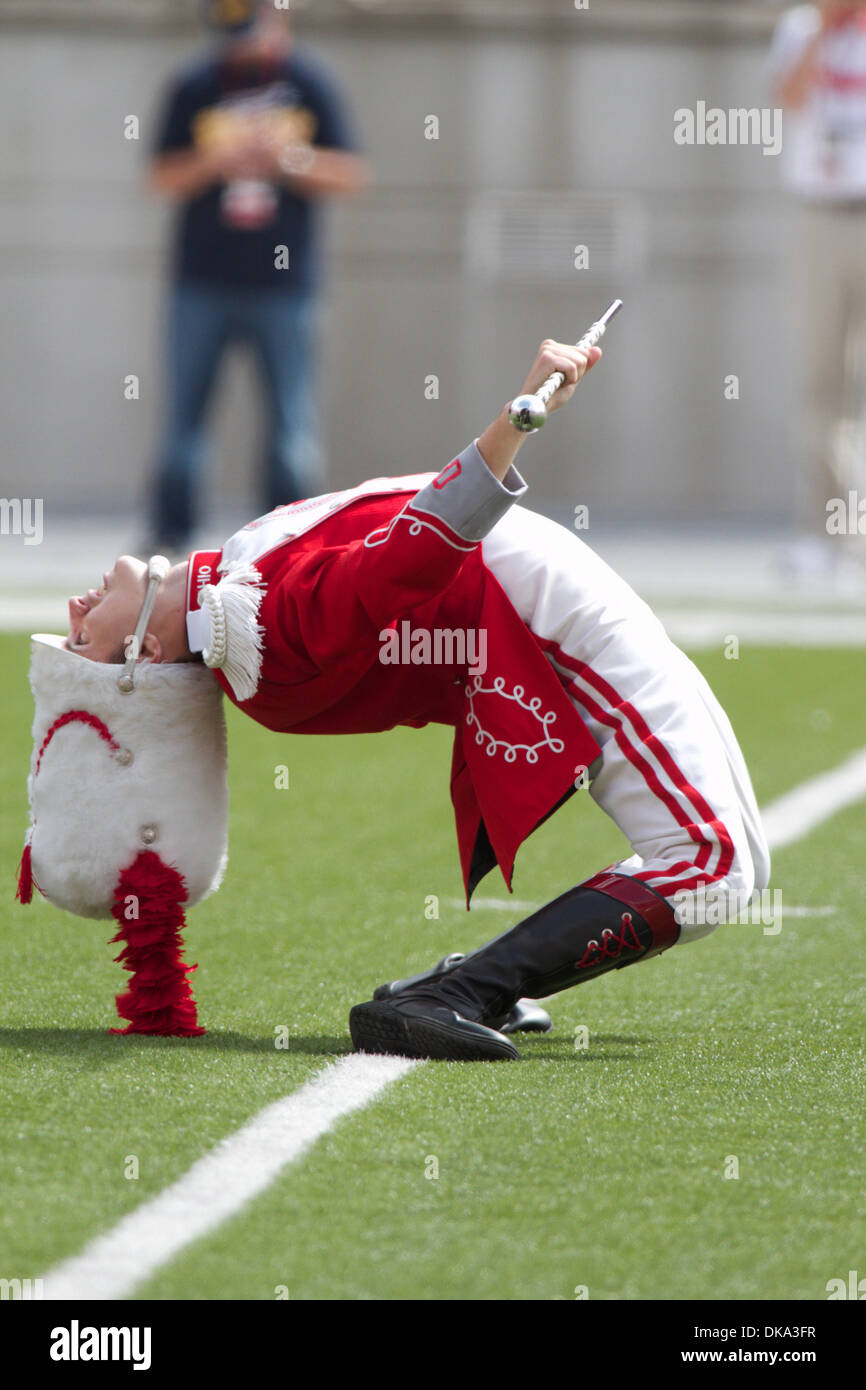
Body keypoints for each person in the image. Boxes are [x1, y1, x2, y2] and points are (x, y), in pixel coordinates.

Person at [65, 335, 770, 1062]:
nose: (75, 608)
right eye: (82, 641)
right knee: (712, 867)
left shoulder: (230, 595)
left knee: (735, 862)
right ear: (145, 652)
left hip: (542, 596)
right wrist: (519, 417)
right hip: (542, 618)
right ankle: (459, 994)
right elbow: (411, 554)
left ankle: (475, 984)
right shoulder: (261, 621)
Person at [145, 0, 370, 552]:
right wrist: (218, 160)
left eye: (248, 30)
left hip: (285, 288)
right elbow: (161, 175)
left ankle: (287, 543)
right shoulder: (195, 83)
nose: (238, 44)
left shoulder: (309, 81)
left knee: (293, 428)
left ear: (279, 16)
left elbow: (350, 173)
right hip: (201, 281)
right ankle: (170, 540)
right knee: (184, 422)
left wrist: (285, 157)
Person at [769, 1, 866, 573]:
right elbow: (791, 96)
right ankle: (825, 530)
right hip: (821, 217)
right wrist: (827, 29)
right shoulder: (802, 27)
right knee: (821, 381)